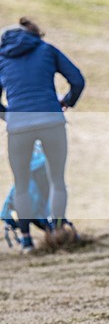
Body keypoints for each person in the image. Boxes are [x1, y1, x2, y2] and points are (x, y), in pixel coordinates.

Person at [0, 17, 85, 253]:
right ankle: (57, 233)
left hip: (18, 128)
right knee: (57, 180)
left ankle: (26, 241)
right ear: (34, 34)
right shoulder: (46, 50)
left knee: (22, 184)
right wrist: (66, 102)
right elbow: (77, 80)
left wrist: (11, 116)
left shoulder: (2, 58)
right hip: (51, 121)